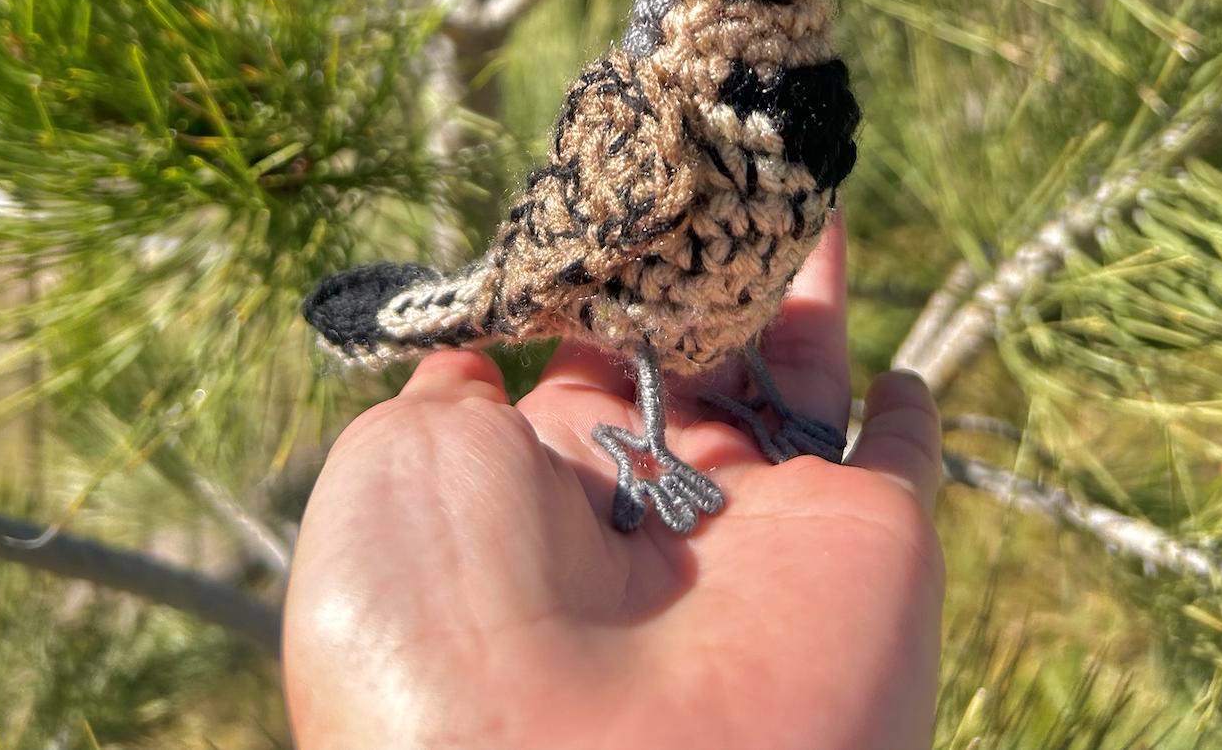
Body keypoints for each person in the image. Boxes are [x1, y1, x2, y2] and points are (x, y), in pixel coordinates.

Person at [283, 218, 945, 749]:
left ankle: (755, 398)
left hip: (728, 336)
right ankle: (654, 448)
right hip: (630, 320)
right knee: (653, 339)